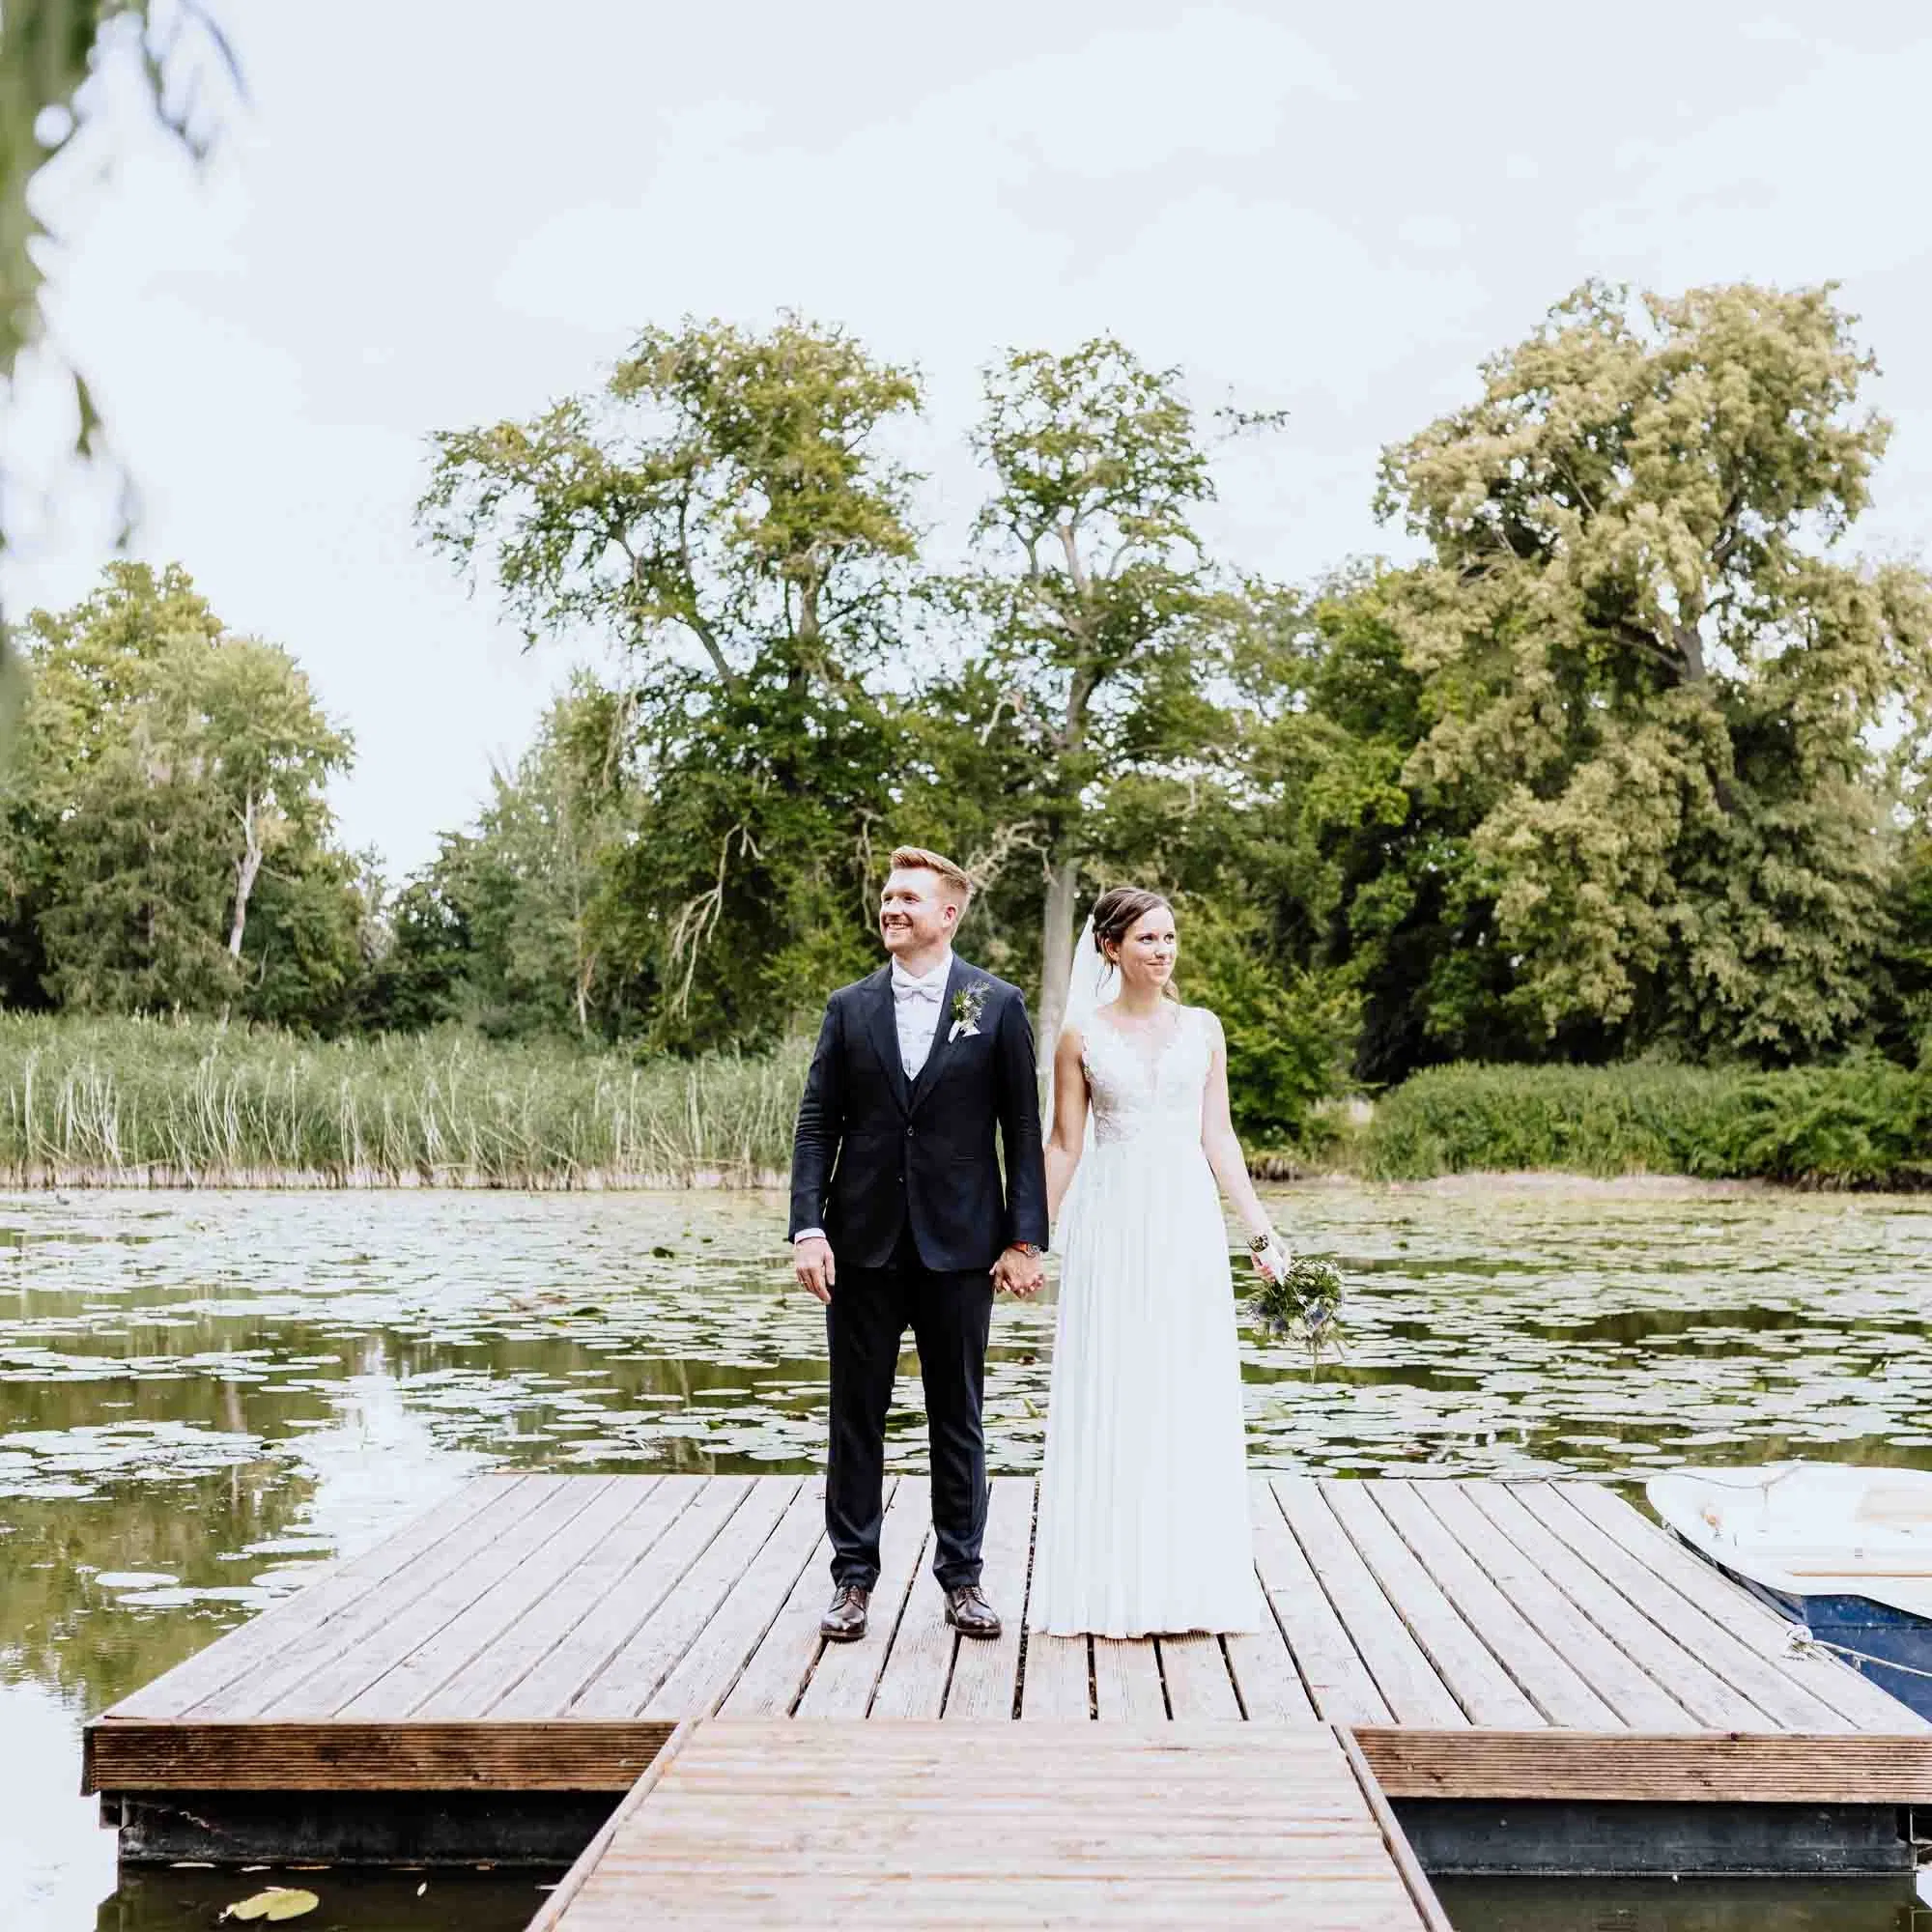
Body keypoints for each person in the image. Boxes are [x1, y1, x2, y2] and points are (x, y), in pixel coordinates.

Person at [789, 845, 1049, 1643]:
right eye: (887, 896)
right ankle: (853, 1581)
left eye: (909, 897)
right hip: (861, 1246)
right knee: (854, 1418)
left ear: (949, 913)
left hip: (960, 1247)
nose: (891, 907)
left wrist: (1023, 1241)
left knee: (958, 1418)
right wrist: (808, 1225)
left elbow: (1022, 1132)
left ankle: (963, 1580)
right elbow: (816, 1123)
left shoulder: (996, 1004)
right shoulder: (849, 1006)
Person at [1029, 886, 1279, 1637]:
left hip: (1185, 1225)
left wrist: (1263, 1235)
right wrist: (1026, 1239)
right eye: (1146, 939)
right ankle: (1112, 1583)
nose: (1163, 951)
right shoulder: (1081, 1036)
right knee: (1118, 1383)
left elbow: (1221, 1138)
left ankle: (1190, 1586)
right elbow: (1065, 1145)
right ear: (1111, 948)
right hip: (1112, 1225)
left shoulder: (1204, 1029)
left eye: (1169, 937)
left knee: (1185, 1385)